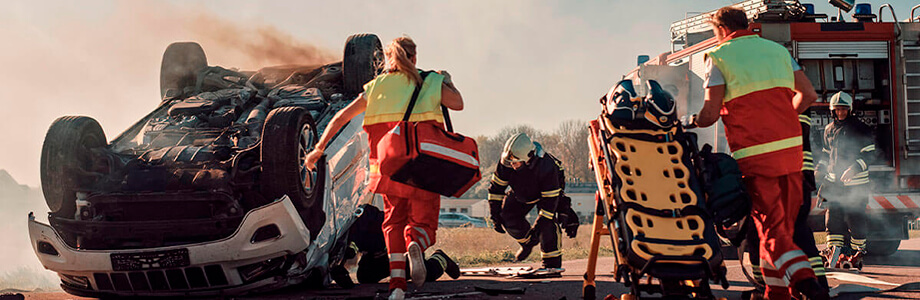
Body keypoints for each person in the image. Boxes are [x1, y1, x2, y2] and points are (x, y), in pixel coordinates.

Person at [305, 36, 463, 300]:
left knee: (393, 224)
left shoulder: (376, 87)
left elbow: (340, 117)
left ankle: (397, 288)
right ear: (414, 58)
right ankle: (417, 242)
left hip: (389, 168)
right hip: (424, 167)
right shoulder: (430, 81)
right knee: (423, 223)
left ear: (388, 60)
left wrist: (318, 149)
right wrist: (447, 81)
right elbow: (457, 103)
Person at [691, 6, 827, 300]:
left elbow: (711, 112)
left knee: (771, 231)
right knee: (782, 230)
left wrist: (693, 120)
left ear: (721, 30)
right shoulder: (777, 51)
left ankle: (807, 282)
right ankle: (775, 295)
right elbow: (809, 95)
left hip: (756, 157)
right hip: (792, 153)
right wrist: (782, 119)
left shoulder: (718, 57)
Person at [487, 133, 579, 271]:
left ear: (529, 158)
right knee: (506, 214)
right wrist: (494, 215)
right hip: (522, 191)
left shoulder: (546, 167)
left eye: (516, 162)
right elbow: (496, 190)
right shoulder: (506, 163)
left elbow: (548, 205)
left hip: (548, 192)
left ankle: (551, 263)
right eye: (509, 162)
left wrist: (538, 227)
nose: (512, 165)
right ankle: (528, 243)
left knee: (547, 224)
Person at [819, 92, 876, 268]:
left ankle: (856, 255)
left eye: (844, 109)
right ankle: (834, 253)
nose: (841, 112)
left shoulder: (860, 128)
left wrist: (855, 168)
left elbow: (871, 154)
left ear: (849, 109)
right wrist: (819, 170)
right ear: (832, 111)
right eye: (837, 109)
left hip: (856, 185)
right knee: (832, 220)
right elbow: (826, 155)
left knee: (856, 220)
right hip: (834, 185)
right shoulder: (828, 129)